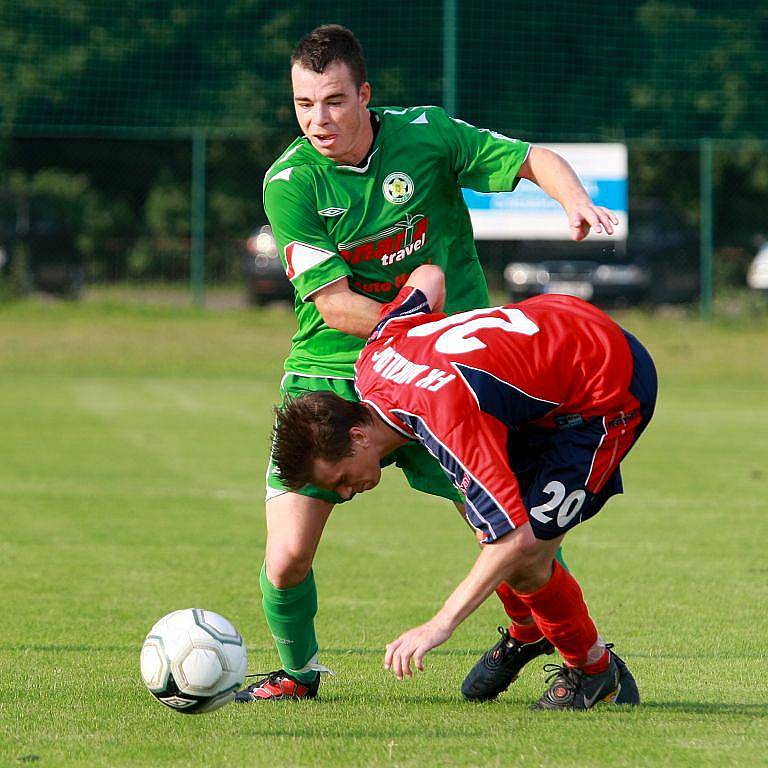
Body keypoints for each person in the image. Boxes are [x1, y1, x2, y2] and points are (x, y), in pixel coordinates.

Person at [236, 24, 620, 703]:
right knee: (288, 556)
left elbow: (532, 159)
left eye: (332, 101)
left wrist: (574, 200)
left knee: (522, 544)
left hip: (448, 379)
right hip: (332, 377)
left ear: (365, 95)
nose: (317, 120)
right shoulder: (291, 182)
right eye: (302, 104)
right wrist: (418, 315)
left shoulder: (427, 135)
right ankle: (298, 674)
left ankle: (573, 658)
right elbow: (334, 306)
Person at [269, 264, 656, 710]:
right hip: (556, 337)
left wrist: (439, 626)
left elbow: (512, 540)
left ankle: (594, 671)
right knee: (500, 538)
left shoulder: (444, 420)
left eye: (338, 480)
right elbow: (430, 275)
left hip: (606, 386)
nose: (342, 493)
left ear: (357, 436)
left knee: (525, 549)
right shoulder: (373, 360)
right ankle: (528, 632)